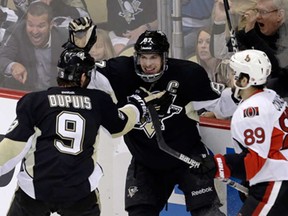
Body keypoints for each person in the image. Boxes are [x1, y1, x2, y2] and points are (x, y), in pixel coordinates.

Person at [68, 18, 240, 215]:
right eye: (143, 57)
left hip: (186, 156)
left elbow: (220, 106)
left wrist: (238, 90)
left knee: (207, 212)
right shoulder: (120, 72)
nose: (148, 64)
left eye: (153, 58)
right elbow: (85, 79)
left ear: (164, 57)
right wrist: (78, 51)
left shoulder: (187, 74)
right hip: (145, 161)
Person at [0, 48, 163, 216]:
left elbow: (12, 146)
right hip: (79, 192)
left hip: (37, 189)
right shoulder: (98, 100)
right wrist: (137, 104)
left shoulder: (35, 101)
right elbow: (120, 126)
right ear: (84, 76)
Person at [189, 49, 288, 215]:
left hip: (276, 180)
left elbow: (254, 161)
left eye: (233, 73)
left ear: (244, 80)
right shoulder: (269, 95)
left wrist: (218, 164)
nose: (229, 78)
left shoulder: (251, 111)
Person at [212, 0, 288, 101]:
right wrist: (219, 21)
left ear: (279, 15)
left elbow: (277, 66)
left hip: (278, 99)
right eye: (257, 11)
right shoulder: (249, 31)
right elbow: (220, 53)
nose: (258, 16)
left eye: (263, 12)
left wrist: (251, 35)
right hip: (247, 96)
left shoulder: (283, 36)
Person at [0, 1, 68, 91]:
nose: (34, 31)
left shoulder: (65, 38)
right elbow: (2, 57)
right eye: (30, 25)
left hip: (54, 97)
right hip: (24, 96)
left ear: (51, 25)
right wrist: (12, 66)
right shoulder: (16, 32)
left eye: (41, 26)